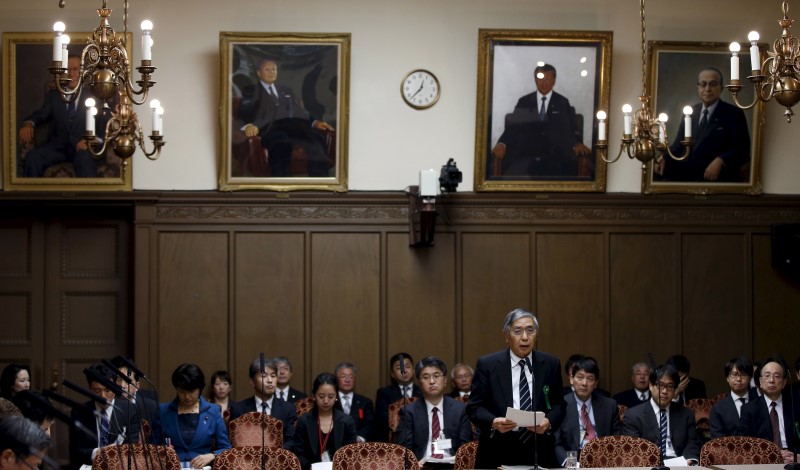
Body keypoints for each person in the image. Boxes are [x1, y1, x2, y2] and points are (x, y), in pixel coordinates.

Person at [466, 308, 565, 469]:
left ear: (536, 335)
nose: (525, 337)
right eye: (518, 331)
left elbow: (559, 405)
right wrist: (493, 422)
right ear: (506, 336)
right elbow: (474, 407)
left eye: (530, 330)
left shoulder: (550, 364)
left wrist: (549, 421)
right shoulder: (488, 365)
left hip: (539, 449)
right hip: (498, 448)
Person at [236, 58, 334, 177]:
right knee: (281, 143)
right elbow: (243, 114)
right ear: (258, 73)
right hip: (269, 128)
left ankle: (320, 183)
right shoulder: (250, 91)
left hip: (292, 125)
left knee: (316, 137)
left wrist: (315, 122)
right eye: (267, 69)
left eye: (274, 69)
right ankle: (282, 185)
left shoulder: (285, 89)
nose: (272, 72)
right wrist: (250, 125)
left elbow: (299, 111)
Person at [491, 63, 591, 179]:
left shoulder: (562, 102)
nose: (544, 83)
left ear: (554, 81)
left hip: (555, 155)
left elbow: (572, 128)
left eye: (548, 79)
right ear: (535, 80)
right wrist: (501, 143)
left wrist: (577, 143)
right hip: (528, 153)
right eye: (540, 79)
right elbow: (512, 128)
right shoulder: (524, 101)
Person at [18, 55, 108, 177]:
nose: (71, 74)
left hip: (83, 147)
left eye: (75, 69)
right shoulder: (54, 95)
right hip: (58, 147)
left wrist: (94, 140)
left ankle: (88, 196)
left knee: (85, 159)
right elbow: (42, 114)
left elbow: (107, 122)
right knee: (33, 157)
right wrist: (29, 123)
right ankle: (30, 196)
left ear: (82, 72)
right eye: (67, 69)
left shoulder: (94, 95)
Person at [656, 67, 750, 182]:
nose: (707, 89)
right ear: (698, 88)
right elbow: (678, 146)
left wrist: (721, 160)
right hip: (686, 175)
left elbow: (742, 149)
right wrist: (664, 157)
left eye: (713, 84)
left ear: (721, 88)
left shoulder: (734, 113)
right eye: (703, 84)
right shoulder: (690, 112)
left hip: (717, 178)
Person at [397, 356, 473, 465]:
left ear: (445, 380)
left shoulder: (460, 409)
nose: (432, 381)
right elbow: (404, 450)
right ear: (419, 383)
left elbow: (466, 447)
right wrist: (414, 464)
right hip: (422, 466)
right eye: (426, 377)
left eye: (436, 376)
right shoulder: (409, 412)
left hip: (452, 466)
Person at [622, 364, 700, 464]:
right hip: (649, 465)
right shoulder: (633, 415)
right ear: (650, 385)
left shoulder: (686, 414)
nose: (664, 391)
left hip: (681, 464)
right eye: (660, 385)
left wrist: (689, 460)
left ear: (676, 389)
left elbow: (692, 443)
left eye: (670, 387)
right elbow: (633, 449)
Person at [159, 363, 230, 468]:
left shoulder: (213, 411)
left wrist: (211, 455)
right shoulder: (163, 411)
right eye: (182, 392)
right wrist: (163, 450)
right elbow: (153, 446)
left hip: (202, 467)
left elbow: (226, 448)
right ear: (176, 389)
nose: (187, 397)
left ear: (200, 389)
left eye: (192, 391)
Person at [70, 363, 141, 466]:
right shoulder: (79, 412)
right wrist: (100, 452)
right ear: (90, 389)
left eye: (108, 390)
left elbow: (131, 450)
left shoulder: (130, 410)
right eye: (97, 391)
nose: (103, 396)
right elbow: (76, 452)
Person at [555, 357, 621, 466]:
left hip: (602, 460)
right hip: (572, 458)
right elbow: (556, 443)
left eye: (590, 378)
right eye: (580, 377)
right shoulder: (561, 405)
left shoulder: (609, 406)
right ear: (572, 379)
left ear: (595, 383)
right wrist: (572, 465)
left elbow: (617, 440)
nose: (584, 383)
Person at [290, 372, 357, 470]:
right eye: (321, 396)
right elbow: (298, 452)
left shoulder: (346, 421)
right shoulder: (304, 420)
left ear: (336, 397)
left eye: (330, 396)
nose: (326, 401)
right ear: (314, 395)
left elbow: (351, 453)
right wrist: (311, 467)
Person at [738, 357, 798, 464]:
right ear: (760, 382)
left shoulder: (796, 405)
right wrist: (773, 454)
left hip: (793, 461)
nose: (771, 380)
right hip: (764, 462)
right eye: (767, 376)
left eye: (776, 376)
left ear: (784, 382)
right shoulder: (749, 409)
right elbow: (745, 445)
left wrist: (797, 456)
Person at [229, 357, 297, 446]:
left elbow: (291, 441)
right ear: (252, 381)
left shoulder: (288, 409)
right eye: (264, 376)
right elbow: (234, 442)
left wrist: (273, 455)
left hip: (278, 457)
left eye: (273, 376)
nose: (270, 381)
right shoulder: (238, 409)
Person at [110, 356, 161, 443]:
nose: (122, 385)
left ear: (137, 386)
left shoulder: (152, 407)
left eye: (127, 381)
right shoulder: (107, 405)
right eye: (118, 380)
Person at [374, 352, 422, 442]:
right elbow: (382, 418)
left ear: (414, 370)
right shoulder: (384, 393)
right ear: (392, 373)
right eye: (400, 368)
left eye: (408, 367)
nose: (404, 371)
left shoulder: (423, 391)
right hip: (394, 440)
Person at [709, 356, 755, 438]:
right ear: (727, 378)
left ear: (750, 378)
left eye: (743, 374)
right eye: (734, 374)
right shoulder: (718, 409)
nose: (738, 379)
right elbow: (718, 440)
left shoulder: (759, 403)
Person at [335, 362, 375, 442]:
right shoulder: (330, 400)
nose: (347, 380)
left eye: (351, 377)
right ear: (336, 379)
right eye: (343, 377)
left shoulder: (365, 402)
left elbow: (370, 424)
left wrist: (360, 438)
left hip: (358, 446)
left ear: (355, 380)